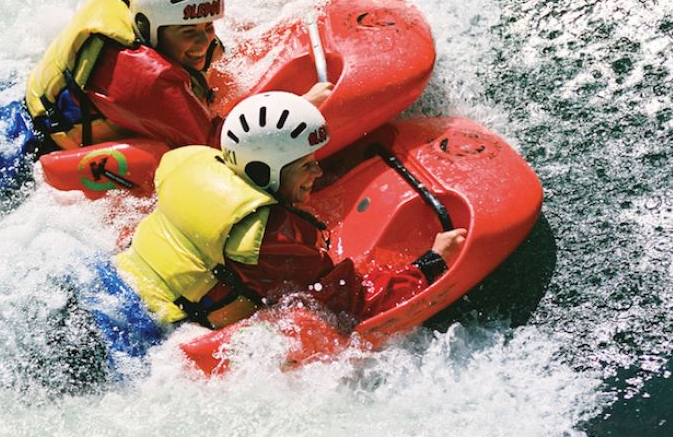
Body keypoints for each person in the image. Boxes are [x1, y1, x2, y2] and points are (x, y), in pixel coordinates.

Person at [114, 91, 467, 330]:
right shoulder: (268, 237)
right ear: (262, 173)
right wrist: (431, 263)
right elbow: (352, 303)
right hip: (142, 330)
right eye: (304, 166)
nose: (317, 173)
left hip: (112, 278)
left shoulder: (199, 160)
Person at [24, 0, 332, 153]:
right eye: (188, 32)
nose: (204, 40)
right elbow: (219, 145)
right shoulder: (147, 80)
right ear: (150, 28)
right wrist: (302, 106)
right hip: (33, 145)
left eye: (208, 26)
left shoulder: (143, 7)